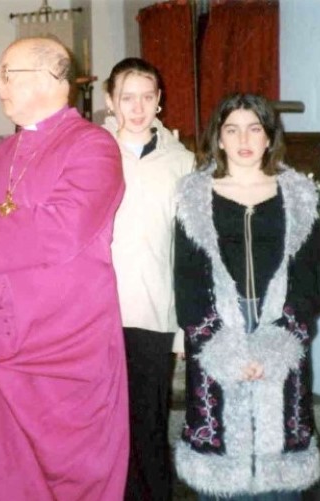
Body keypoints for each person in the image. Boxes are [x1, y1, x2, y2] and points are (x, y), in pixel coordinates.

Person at [0, 37, 129, 500]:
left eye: (7, 75)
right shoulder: (4, 152)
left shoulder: (94, 146)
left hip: (62, 347)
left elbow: (65, 224)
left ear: (48, 79)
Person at [174, 93, 320, 500]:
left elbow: (309, 278)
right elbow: (186, 279)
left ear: (270, 137)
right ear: (218, 139)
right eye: (232, 129)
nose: (244, 138)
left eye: (255, 128)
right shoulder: (193, 196)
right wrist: (223, 345)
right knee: (223, 448)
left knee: (280, 452)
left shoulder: (299, 196)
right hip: (218, 329)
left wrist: (280, 340)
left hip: (283, 326)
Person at [103, 57, 194, 501]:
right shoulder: (91, 152)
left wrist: (182, 330)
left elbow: (188, 252)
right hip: (94, 315)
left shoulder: (184, 164)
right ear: (110, 101)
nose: (137, 108)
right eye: (127, 98)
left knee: (149, 429)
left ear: (159, 101)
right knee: (101, 433)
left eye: (147, 97)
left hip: (153, 315)